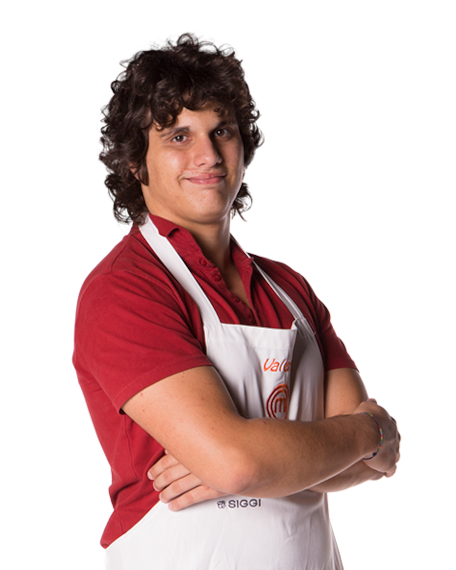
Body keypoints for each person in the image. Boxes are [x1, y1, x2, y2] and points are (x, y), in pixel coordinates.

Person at [71, 30, 403, 570]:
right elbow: (239, 464)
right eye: (178, 136)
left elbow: (376, 463)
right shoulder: (124, 287)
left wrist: (266, 457)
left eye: (221, 130)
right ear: (135, 161)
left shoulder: (289, 288)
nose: (207, 155)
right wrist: (367, 429)